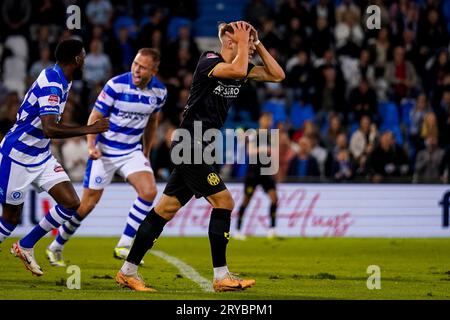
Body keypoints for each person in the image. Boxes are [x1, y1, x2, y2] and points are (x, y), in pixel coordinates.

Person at [115, 21, 285, 292]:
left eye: (252, 45)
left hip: (200, 148)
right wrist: (243, 41)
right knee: (225, 201)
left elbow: (278, 75)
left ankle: (127, 270)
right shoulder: (209, 61)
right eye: (247, 43)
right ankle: (221, 276)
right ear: (229, 42)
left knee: (164, 210)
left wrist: (257, 43)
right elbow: (238, 68)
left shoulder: (241, 68)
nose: (251, 49)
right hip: (189, 145)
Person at [46, 48, 167, 267]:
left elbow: (152, 122)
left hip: (131, 151)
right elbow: (95, 116)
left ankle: (124, 243)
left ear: (154, 70)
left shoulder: (159, 92)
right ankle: (56, 245)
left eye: (143, 67)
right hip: (105, 151)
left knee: (149, 191)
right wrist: (91, 145)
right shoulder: (116, 85)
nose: (137, 70)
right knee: (85, 206)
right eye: (135, 64)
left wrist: (146, 152)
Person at [0, 39, 109, 276]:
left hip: (40, 155)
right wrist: (90, 128)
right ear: (76, 60)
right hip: (17, 155)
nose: (85, 60)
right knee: (10, 218)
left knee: (71, 202)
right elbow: (50, 129)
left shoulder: (63, 78)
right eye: (83, 56)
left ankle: (26, 245)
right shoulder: (52, 84)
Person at [235, 112, 278, 240]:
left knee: (274, 198)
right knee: (246, 201)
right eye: (266, 119)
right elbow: (250, 151)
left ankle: (272, 229)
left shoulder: (271, 136)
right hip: (253, 173)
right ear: (260, 120)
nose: (268, 122)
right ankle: (237, 229)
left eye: (270, 120)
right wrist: (264, 149)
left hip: (266, 172)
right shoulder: (254, 134)